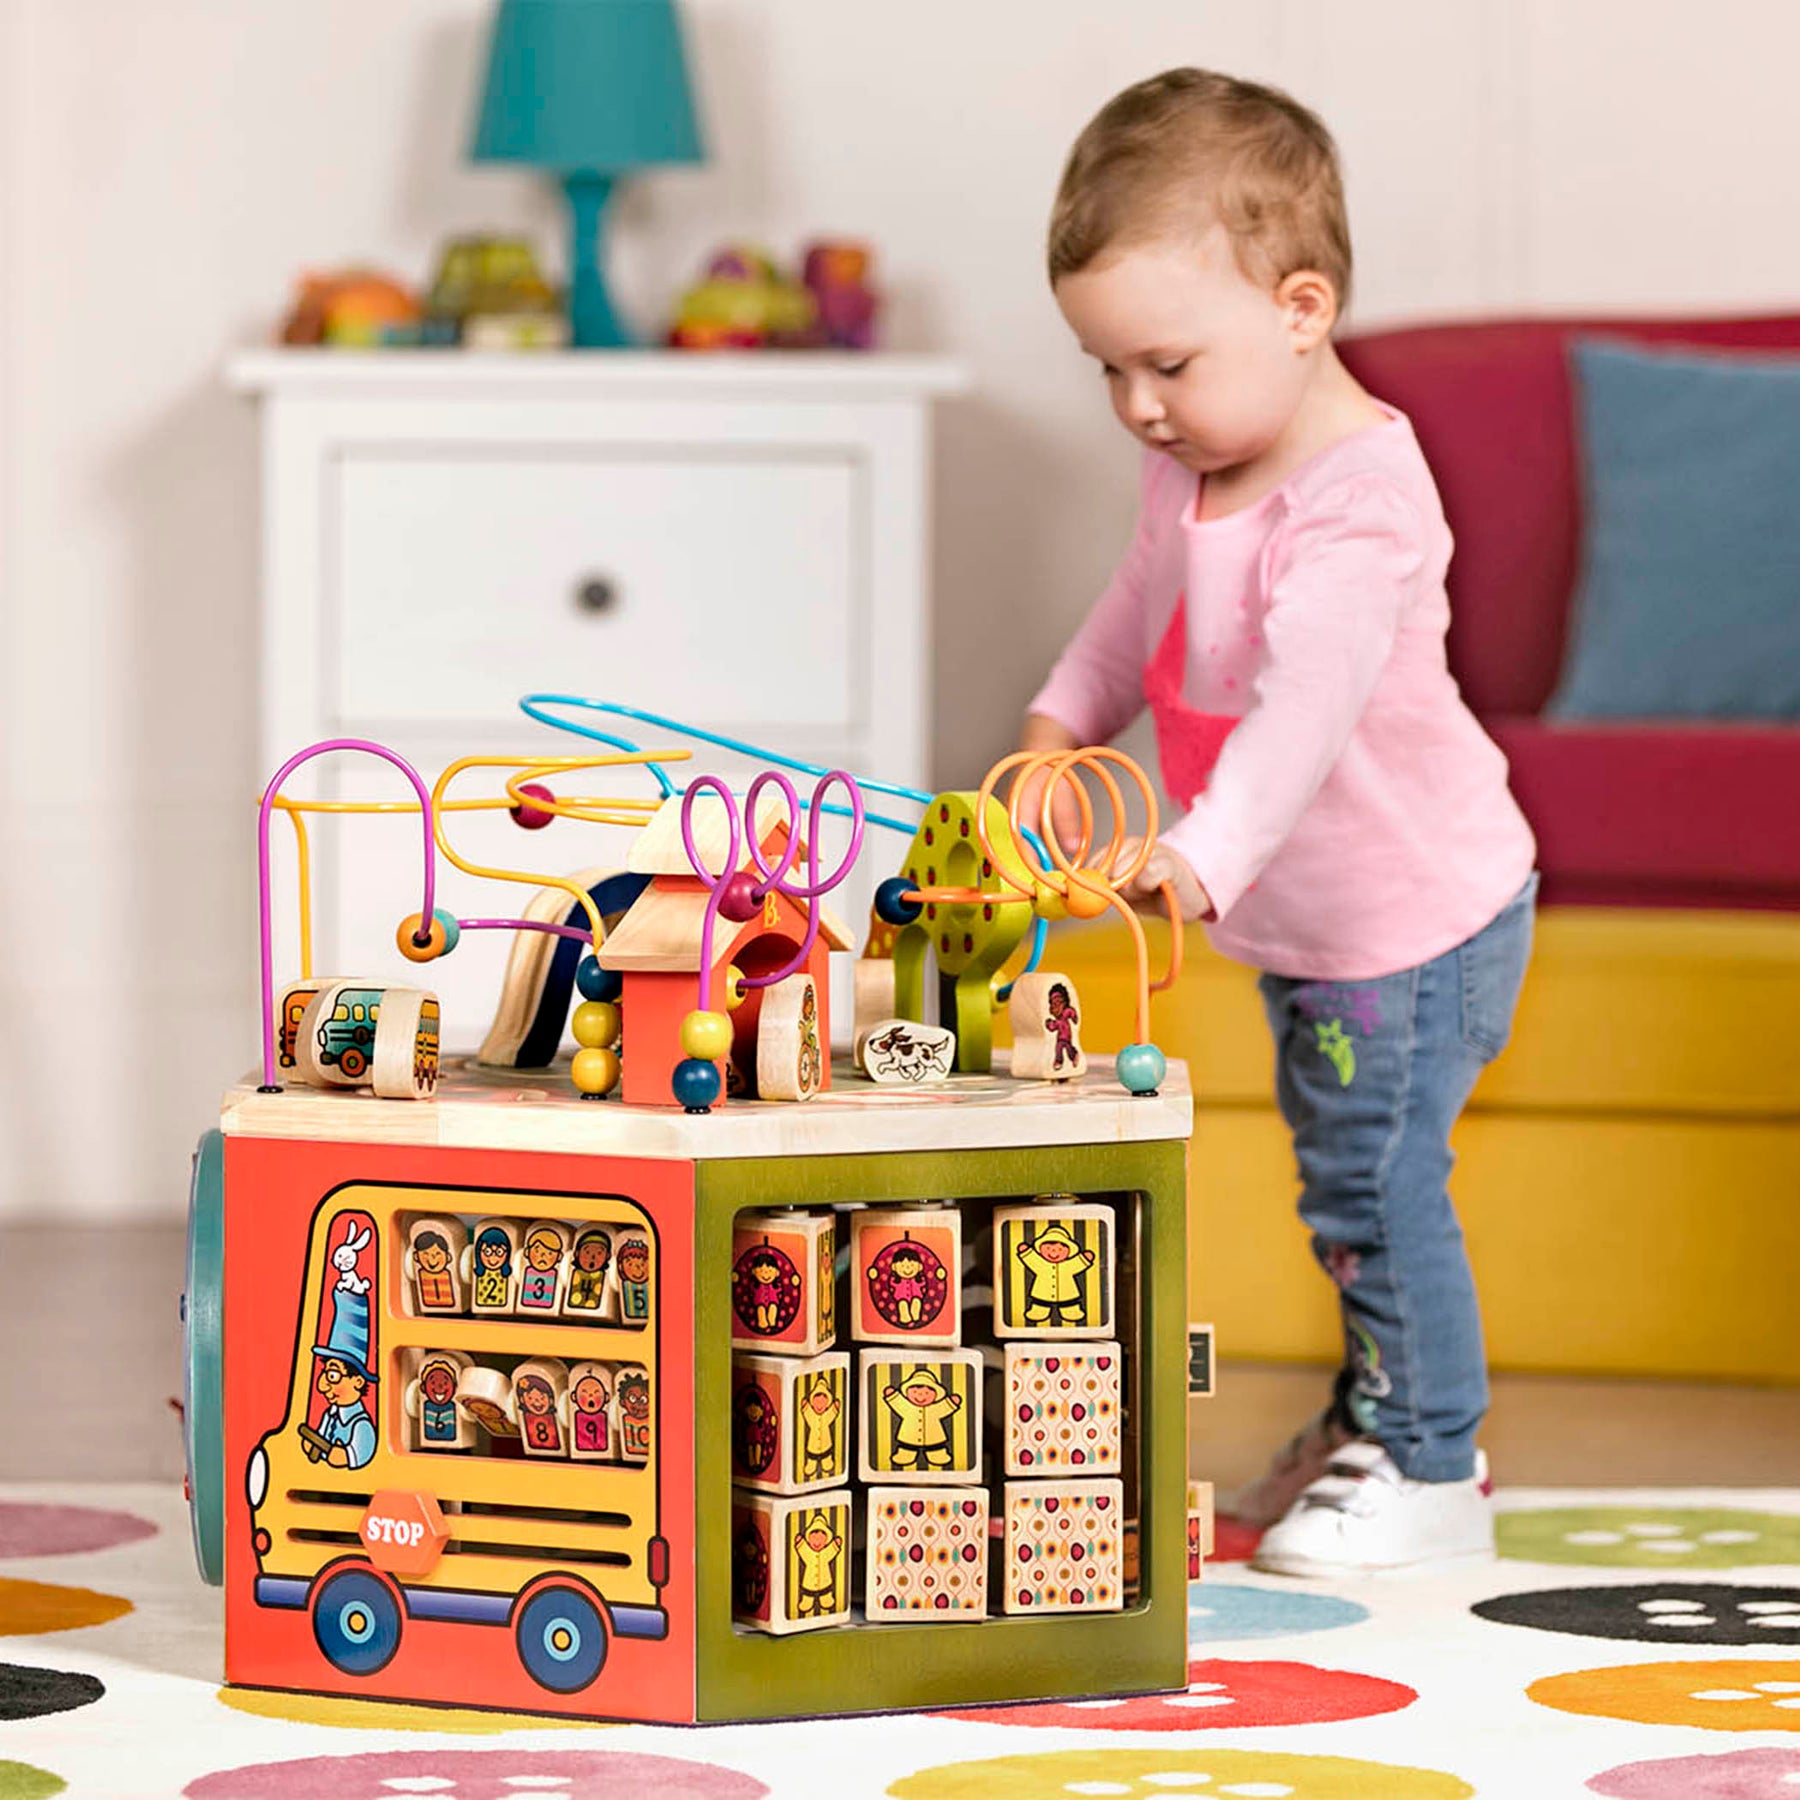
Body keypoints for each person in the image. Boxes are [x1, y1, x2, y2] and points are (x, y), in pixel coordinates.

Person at [1022, 68, 1538, 1576]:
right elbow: (1140, 605)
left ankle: (1434, 1463)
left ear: (1301, 308)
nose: (1138, 405)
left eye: (1167, 364)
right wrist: (1059, 723)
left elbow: (1303, 715)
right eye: (1108, 369)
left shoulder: (1358, 506)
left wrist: (1197, 857)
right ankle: (1377, 1411)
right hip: (1319, 928)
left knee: (1377, 1186)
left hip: (1412, 921)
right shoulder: (1189, 465)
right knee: (1342, 1187)